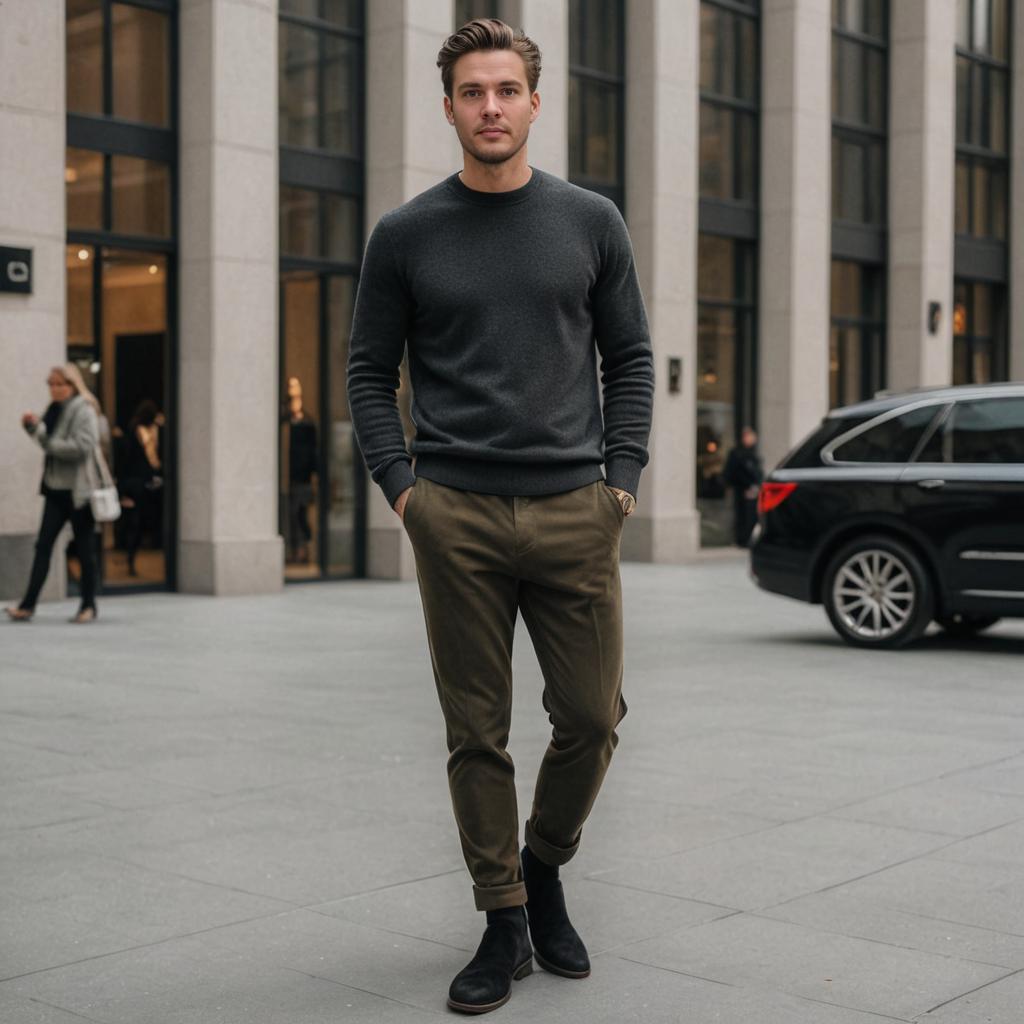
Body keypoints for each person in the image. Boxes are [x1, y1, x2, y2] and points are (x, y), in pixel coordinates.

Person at [347, 19, 654, 1015]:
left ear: (533, 101)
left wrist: (621, 482)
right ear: (448, 107)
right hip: (458, 516)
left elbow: (632, 360)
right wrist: (405, 490)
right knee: (475, 732)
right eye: (471, 92)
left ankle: (545, 862)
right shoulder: (404, 235)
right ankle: (502, 915)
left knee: (592, 717)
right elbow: (365, 372)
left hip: (577, 510)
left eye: (505, 91)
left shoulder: (590, 221)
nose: (489, 107)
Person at [6, 364, 103, 623]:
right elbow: (45, 438)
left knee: (84, 550)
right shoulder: (53, 410)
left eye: (60, 384)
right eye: (51, 384)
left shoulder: (83, 409)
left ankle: (88, 605)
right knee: (43, 547)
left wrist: (50, 444)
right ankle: (27, 606)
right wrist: (32, 428)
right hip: (55, 489)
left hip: (79, 491)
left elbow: (84, 445)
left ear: (72, 385)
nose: (55, 389)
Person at [117, 399, 164, 577]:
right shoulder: (137, 431)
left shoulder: (152, 430)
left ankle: (133, 555)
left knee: (139, 521)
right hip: (137, 482)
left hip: (144, 481)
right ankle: (130, 558)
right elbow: (130, 458)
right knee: (134, 523)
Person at [723, 426, 763, 547]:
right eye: (751, 436)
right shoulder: (737, 453)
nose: (753, 439)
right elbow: (732, 472)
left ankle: (748, 539)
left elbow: (757, 472)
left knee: (751, 516)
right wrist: (747, 486)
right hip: (742, 490)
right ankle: (742, 540)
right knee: (742, 516)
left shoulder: (752, 453)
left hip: (753, 489)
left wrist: (757, 486)